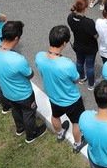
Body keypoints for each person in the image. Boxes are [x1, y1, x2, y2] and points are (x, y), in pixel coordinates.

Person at [0, 21, 47, 143]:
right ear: (16, 38)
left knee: (15, 109)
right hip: (23, 94)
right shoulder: (17, 60)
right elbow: (30, 75)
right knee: (28, 112)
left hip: (7, 91)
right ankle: (31, 135)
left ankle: (20, 128)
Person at [35, 25, 87, 154]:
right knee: (76, 122)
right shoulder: (66, 64)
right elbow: (76, 80)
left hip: (53, 97)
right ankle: (77, 143)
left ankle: (59, 134)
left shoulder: (39, 57)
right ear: (64, 43)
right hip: (71, 99)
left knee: (55, 115)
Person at [67, 0, 99, 90]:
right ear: (86, 8)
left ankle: (81, 78)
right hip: (90, 47)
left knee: (79, 62)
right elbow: (96, 36)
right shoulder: (89, 22)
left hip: (78, 45)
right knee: (90, 66)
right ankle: (91, 84)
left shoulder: (70, 17)